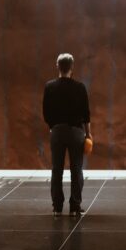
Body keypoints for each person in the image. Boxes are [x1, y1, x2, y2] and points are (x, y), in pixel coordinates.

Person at [43, 53, 92, 217]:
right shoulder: (80, 87)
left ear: (57, 66)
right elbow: (86, 114)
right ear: (72, 67)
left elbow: (46, 112)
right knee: (76, 169)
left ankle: (57, 207)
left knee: (56, 170)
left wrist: (52, 126)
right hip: (76, 132)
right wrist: (89, 134)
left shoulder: (49, 87)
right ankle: (74, 207)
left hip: (57, 131)